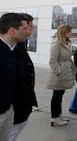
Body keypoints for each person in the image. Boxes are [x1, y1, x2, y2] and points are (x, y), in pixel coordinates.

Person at [0, 13, 31, 141]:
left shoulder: (17, 49)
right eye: (25, 28)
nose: (28, 31)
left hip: (10, 108)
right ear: (12, 31)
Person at [10, 13, 38, 141]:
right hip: (14, 104)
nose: (30, 30)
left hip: (23, 100)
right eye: (27, 27)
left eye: (30, 27)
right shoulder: (12, 47)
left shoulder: (20, 44)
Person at [45, 24, 77, 126]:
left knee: (60, 96)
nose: (71, 33)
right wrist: (59, 71)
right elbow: (52, 61)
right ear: (64, 32)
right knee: (56, 96)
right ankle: (54, 117)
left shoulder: (66, 42)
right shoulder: (56, 44)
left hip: (65, 73)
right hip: (59, 75)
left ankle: (58, 115)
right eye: (69, 31)